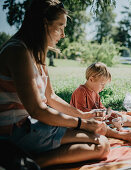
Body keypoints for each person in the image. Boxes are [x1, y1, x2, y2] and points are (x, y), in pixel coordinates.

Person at [0, 0, 110, 168]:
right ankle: (29, 165)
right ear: (44, 24)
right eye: (60, 26)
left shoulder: (37, 54)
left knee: (101, 142)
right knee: (100, 143)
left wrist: (83, 115)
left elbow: (50, 97)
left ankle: (29, 162)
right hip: (15, 132)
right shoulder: (18, 51)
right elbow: (37, 110)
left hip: (33, 126)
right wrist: (83, 123)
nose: (63, 34)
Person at [70, 62, 131, 142]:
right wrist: (100, 114)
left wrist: (112, 113)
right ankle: (121, 135)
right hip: (81, 124)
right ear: (91, 79)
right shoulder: (81, 91)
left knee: (116, 118)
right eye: (102, 84)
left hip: (94, 119)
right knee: (101, 126)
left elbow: (102, 109)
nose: (103, 88)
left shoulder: (95, 94)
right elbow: (81, 113)